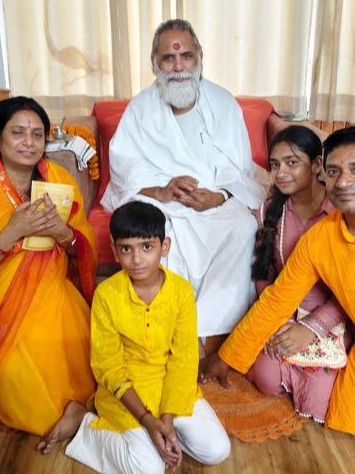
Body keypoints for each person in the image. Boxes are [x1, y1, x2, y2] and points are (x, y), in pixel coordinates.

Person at [200, 127, 355, 473]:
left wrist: (313, 326)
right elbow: (276, 300)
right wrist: (225, 357)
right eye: (335, 171)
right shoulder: (319, 240)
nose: (343, 181)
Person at [0, 97, 97, 442]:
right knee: (37, 410)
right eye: (18, 133)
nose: (29, 142)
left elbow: (82, 249)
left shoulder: (60, 182)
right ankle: (72, 411)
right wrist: (10, 233)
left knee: (88, 369)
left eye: (37, 134)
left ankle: (77, 409)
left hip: (53, 291)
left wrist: (62, 233)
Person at [101, 19, 266, 341]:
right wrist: (162, 191)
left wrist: (218, 197)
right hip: (162, 200)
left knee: (243, 226)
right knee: (156, 229)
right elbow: (125, 167)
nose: (178, 67)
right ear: (154, 62)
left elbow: (238, 167)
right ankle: (170, 326)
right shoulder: (140, 109)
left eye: (186, 56)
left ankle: (207, 331)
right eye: (168, 58)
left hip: (214, 200)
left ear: (199, 57)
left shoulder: (223, 103)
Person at [52, 201, 230, 474]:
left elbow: (183, 360)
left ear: (164, 247)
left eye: (147, 247)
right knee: (148, 470)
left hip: (171, 388)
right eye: (126, 249)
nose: (136, 259)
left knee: (217, 449)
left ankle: (164, 436)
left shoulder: (181, 292)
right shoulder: (106, 295)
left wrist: (167, 419)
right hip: (128, 394)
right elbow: (108, 366)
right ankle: (84, 423)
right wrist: (147, 419)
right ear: (115, 251)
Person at [248, 126, 351, 423]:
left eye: (292, 162)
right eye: (274, 164)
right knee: (266, 377)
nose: (280, 173)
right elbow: (264, 273)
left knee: (318, 398)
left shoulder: (340, 213)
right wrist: (280, 318)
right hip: (284, 313)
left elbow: (351, 288)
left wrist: (310, 328)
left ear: (317, 164)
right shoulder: (270, 211)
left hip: (332, 318)